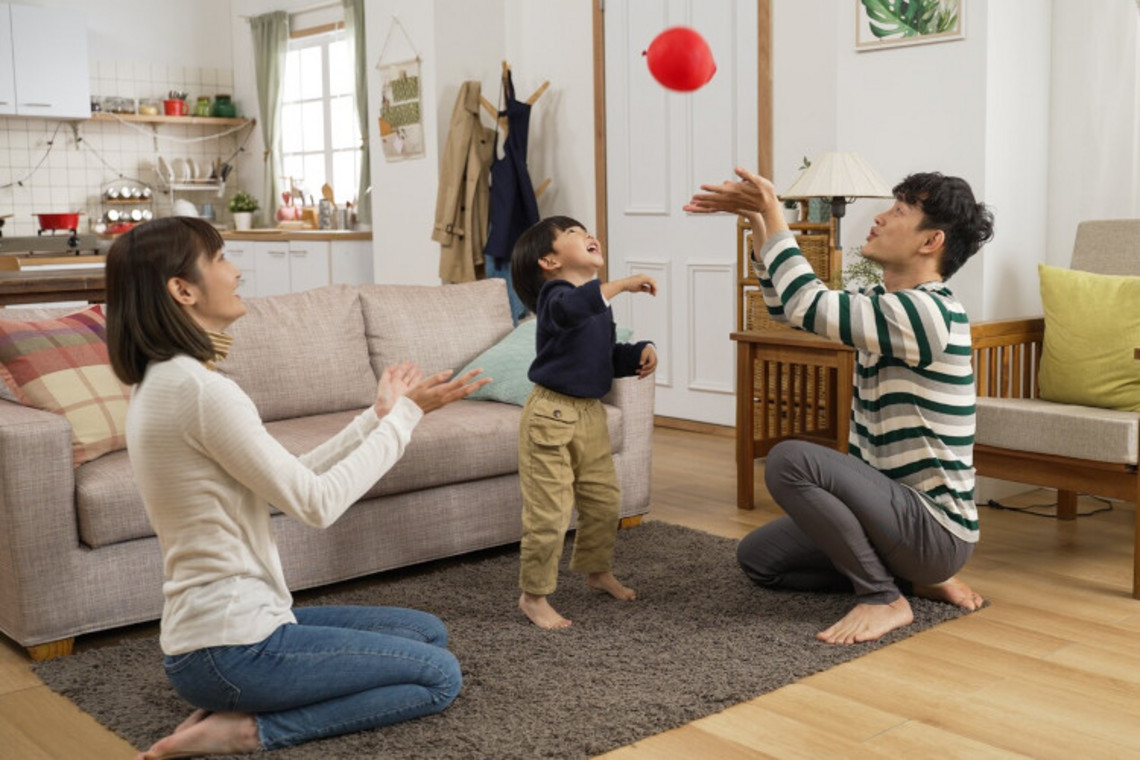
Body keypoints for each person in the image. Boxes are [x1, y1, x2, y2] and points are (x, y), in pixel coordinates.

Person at [104, 217, 491, 759]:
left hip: (223, 637)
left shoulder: (166, 382)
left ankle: (232, 704)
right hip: (232, 649)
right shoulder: (201, 391)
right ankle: (243, 731)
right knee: (438, 677)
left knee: (425, 632)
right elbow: (317, 503)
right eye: (219, 259)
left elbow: (284, 483)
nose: (235, 270)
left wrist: (376, 419)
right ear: (182, 288)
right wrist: (403, 421)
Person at [685, 167, 993, 644]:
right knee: (759, 559)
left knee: (790, 460)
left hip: (933, 528)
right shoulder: (883, 303)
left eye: (898, 211)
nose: (880, 218)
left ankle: (882, 597)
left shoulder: (928, 312)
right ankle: (912, 582)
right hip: (890, 519)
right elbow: (788, 307)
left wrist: (771, 209)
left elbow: (807, 302)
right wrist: (757, 221)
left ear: (930, 241)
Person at [509, 216, 658, 629]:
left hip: (589, 414)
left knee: (604, 500)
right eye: (572, 234)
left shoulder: (596, 306)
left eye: (586, 230)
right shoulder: (556, 299)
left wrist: (639, 352)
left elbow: (603, 355)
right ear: (549, 261)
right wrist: (621, 285)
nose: (588, 235)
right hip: (550, 416)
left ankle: (597, 571)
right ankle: (533, 596)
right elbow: (574, 309)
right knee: (550, 514)